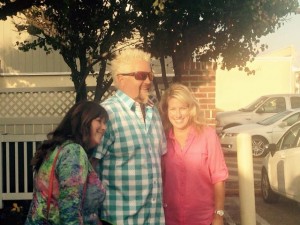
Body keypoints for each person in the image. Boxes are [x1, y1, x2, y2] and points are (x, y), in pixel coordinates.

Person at [91, 48, 167, 225]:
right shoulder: (106, 114)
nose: (148, 80)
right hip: (119, 219)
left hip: (154, 219)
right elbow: (90, 168)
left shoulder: (153, 111)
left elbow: (161, 162)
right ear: (121, 79)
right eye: (141, 75)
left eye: (150, 75)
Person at [25, 101, 108, 225]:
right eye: (99, 121)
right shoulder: (73, 151)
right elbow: (70, 211)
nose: (104, 127)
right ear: (83, 121)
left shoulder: (57, 148)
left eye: (105, 122)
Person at [159, 83, 229, 225]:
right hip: (170, 218)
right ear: (166, 111)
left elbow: (219, 178)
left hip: (203, 219)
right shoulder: (162, 138)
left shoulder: (208, 135)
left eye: (182, 108)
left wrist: (218, 215)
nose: (178, 115)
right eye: (173, 109)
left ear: (191, 109)